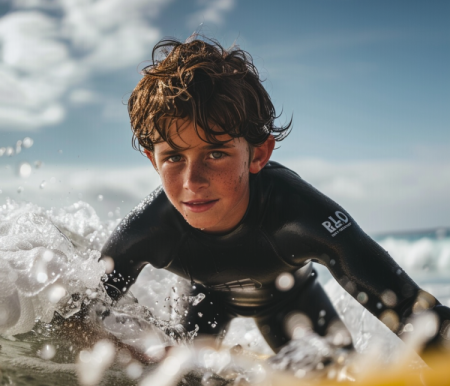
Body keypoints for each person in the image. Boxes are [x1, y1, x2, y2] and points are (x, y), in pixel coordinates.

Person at [101, 36, 450, 358]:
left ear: (258, 155)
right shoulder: (146, 230)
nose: (193, 181)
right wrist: (136, 355)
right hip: (202, 302)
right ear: (153, 160)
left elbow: (411, 310)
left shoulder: (297, 213)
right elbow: (77, 311)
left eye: (216, 154)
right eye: (174, 157)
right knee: (179, 382)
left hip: (291, 302)